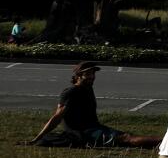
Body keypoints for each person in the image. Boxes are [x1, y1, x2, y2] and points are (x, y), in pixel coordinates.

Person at [25, 62, 158, 148]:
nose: (92, 76)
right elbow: (57, 116)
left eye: (93, 73)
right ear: (78, 76)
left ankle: (162, 142)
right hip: (84, 132)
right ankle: (164, 142)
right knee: (126, 139)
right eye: (88, 74)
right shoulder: (72, 91)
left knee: (127, 137)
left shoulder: (87, 88)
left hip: (94, 128)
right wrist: (37, 138)